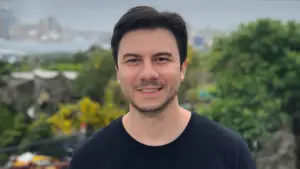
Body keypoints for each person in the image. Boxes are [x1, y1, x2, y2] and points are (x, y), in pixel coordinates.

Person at [69, 5, 257, 169]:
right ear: (118, 72)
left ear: (182, 68)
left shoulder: (230, 153)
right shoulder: (89, 160)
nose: (148, 74)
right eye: (133, 60)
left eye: (161, 59)